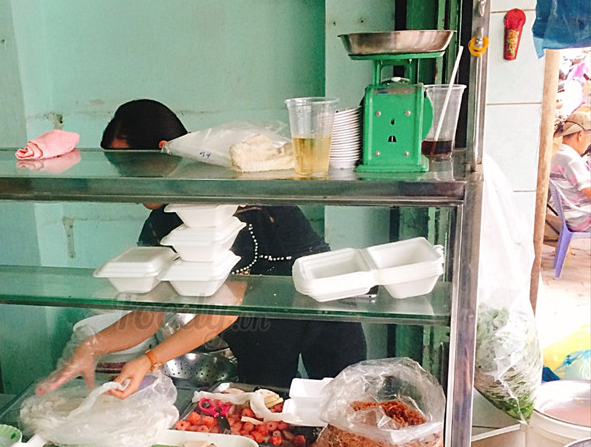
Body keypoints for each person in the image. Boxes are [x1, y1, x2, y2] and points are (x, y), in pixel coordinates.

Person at [37, 99, 366, 399]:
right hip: (258, 327)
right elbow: (149, 315)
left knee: (342, 409)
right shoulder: (159, 223)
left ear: (163, 152)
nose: (126, 179)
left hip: (322, 310)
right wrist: (90, 347)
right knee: (265, 413)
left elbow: (222, 310)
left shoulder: (221, 195)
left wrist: (149, 360)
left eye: (130, 165)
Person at [550, 106, 591, 232]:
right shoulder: (571, 160)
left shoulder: (559, 155)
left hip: (573, 216)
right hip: (582, 220)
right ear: (580, 135)